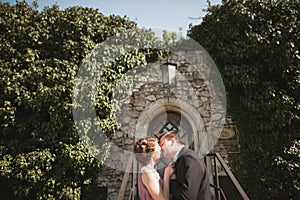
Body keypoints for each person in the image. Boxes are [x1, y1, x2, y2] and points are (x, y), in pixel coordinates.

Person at [159, 131, 211, 200]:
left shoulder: (189, 159)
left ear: (172, 141)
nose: (160, 148)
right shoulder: (181, 159)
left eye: (162, 144)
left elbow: (186, 197)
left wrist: (172, 178)